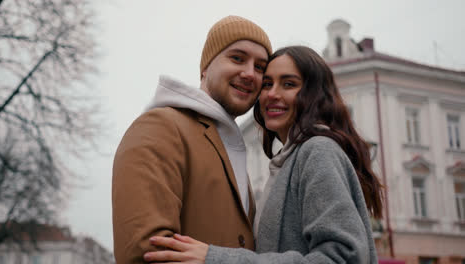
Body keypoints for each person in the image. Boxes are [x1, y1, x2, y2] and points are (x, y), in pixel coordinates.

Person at [143, 45, 384, 264]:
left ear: (314, 95)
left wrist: (216, 259)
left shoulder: (318, 151)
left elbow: (343, 257)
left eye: (288, 84)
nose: (271, 94)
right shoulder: (289, 160)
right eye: (267, 84)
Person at [111, 15, 272, 263]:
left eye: (260, 67)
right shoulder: (161, 126)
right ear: (206, 67)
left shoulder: (228, 144)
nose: (250, 73)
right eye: (237, 58)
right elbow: (147, 252)